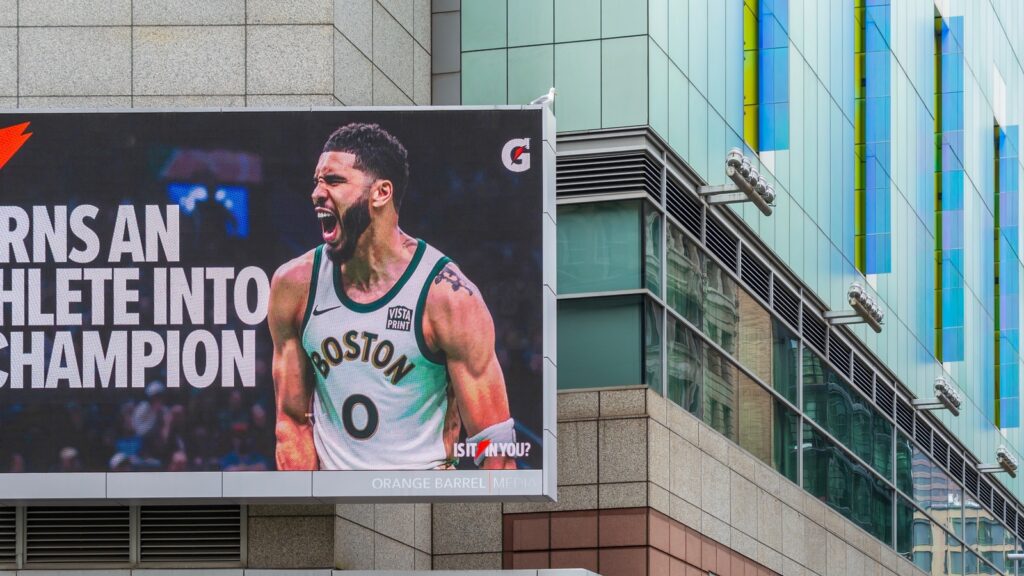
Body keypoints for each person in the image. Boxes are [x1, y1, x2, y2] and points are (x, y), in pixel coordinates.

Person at [270, 122, 515, 470]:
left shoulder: (446, 296)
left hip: (422, 499)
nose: (317, 193)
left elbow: (496, 447)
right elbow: (291, 422)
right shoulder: (294, 285)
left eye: (334, 181)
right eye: (317, 181)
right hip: (336, 503)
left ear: (381, 193)